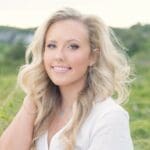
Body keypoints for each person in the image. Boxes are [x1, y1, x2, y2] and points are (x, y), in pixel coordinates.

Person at [0, 7, 134, 150]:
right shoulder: (40, 109)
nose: (59, 56)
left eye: (73, 46)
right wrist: (33, 98)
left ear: (93, 56)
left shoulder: (108, 117)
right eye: (51, 45)